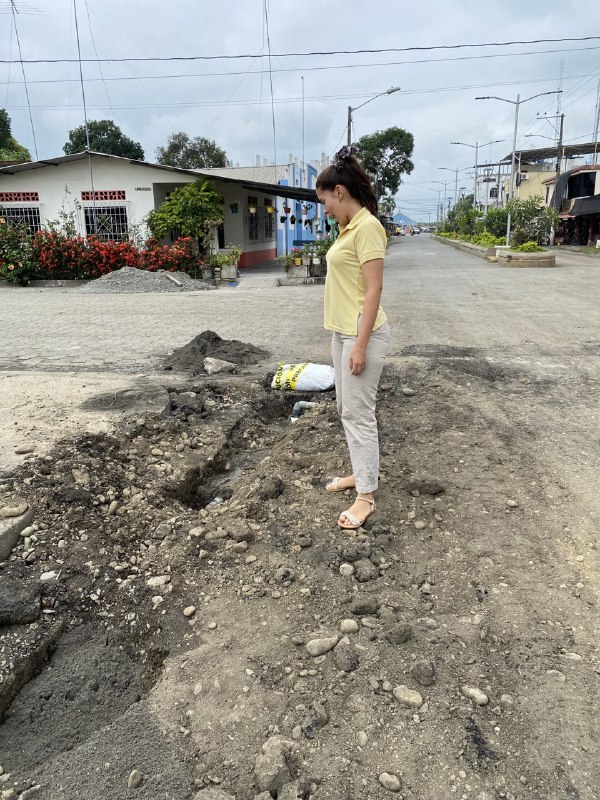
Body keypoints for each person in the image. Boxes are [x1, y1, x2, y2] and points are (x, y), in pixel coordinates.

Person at [316, 145, 391, 530]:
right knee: (346, 409)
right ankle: (360, 474)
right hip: (342, 333)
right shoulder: (348, 229)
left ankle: (366, 497)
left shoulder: (368, 227)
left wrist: (359, 345)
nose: (324, 209)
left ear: (339, 192)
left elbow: (374, 289)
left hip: (363, 335)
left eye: (325, 202)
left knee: (359, 415)